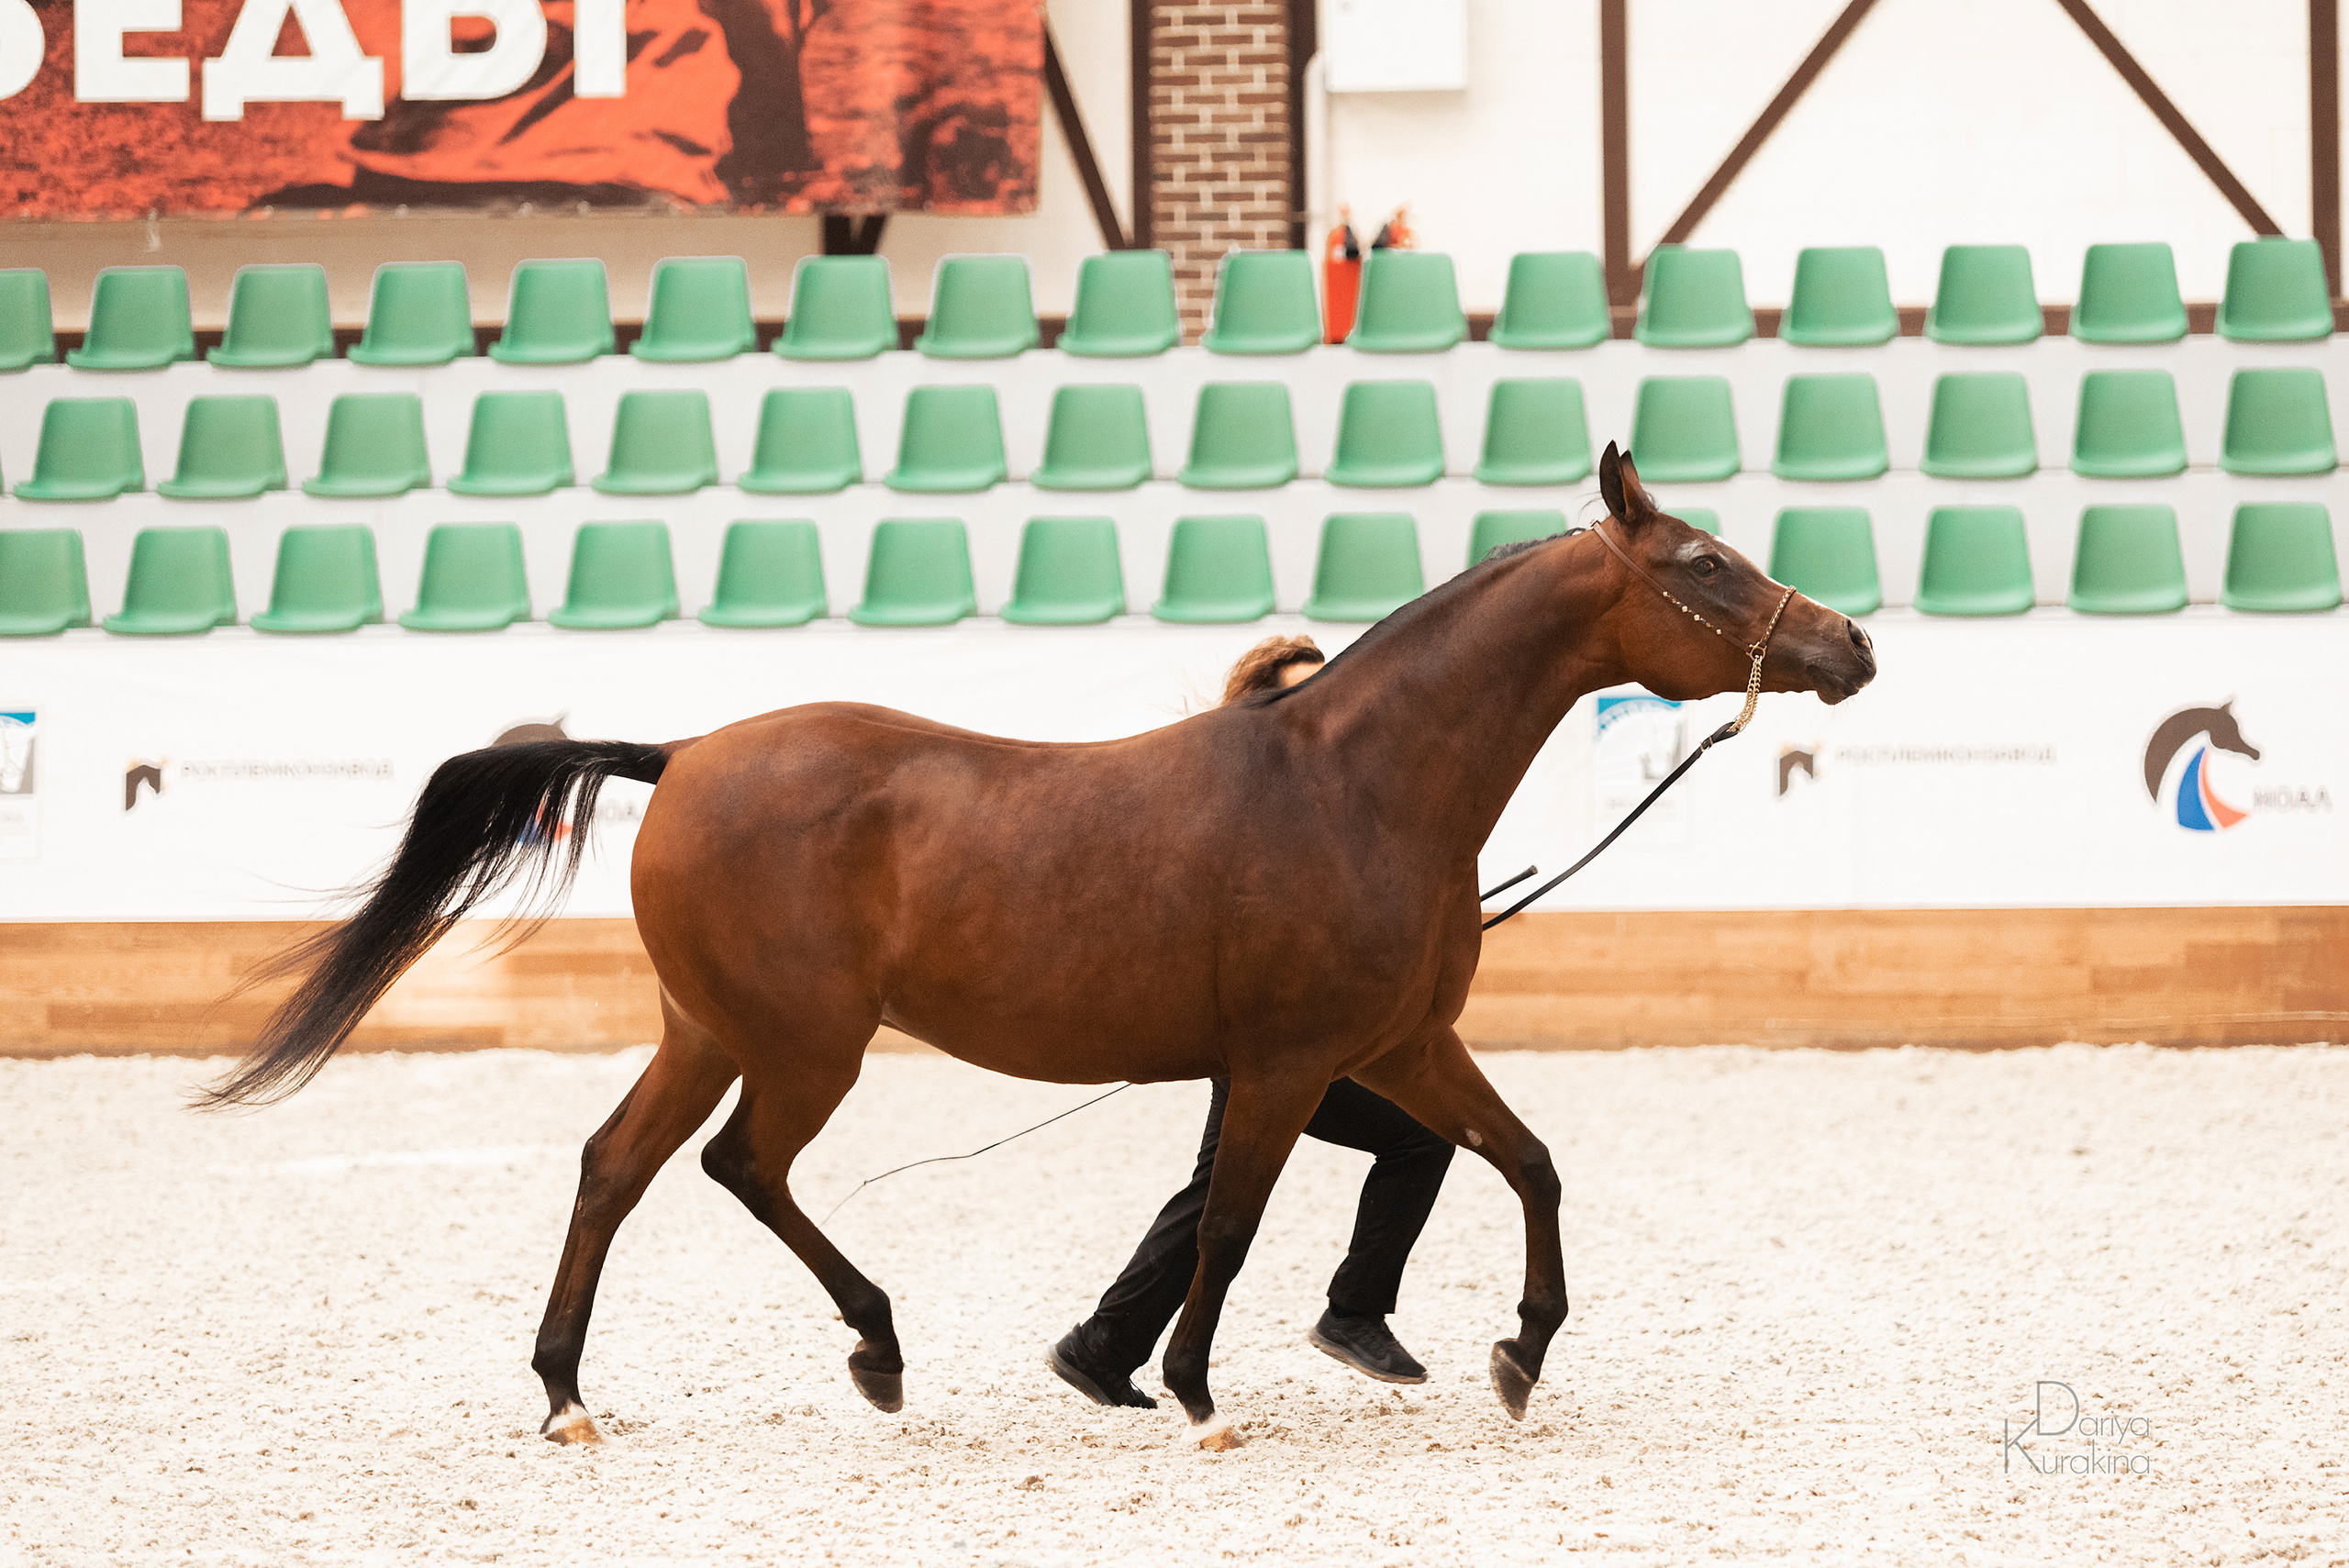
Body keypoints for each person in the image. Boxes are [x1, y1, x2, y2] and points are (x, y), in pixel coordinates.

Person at [1048, 636, 1457, 1407]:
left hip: (1296, 1031)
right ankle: (1351, 1312)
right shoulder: (1233, 801)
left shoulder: (1326, 803)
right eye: (1297, 697)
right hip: (1263, 1032)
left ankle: (1104, 1345)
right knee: (1415, 1137)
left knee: (1223, 1187)